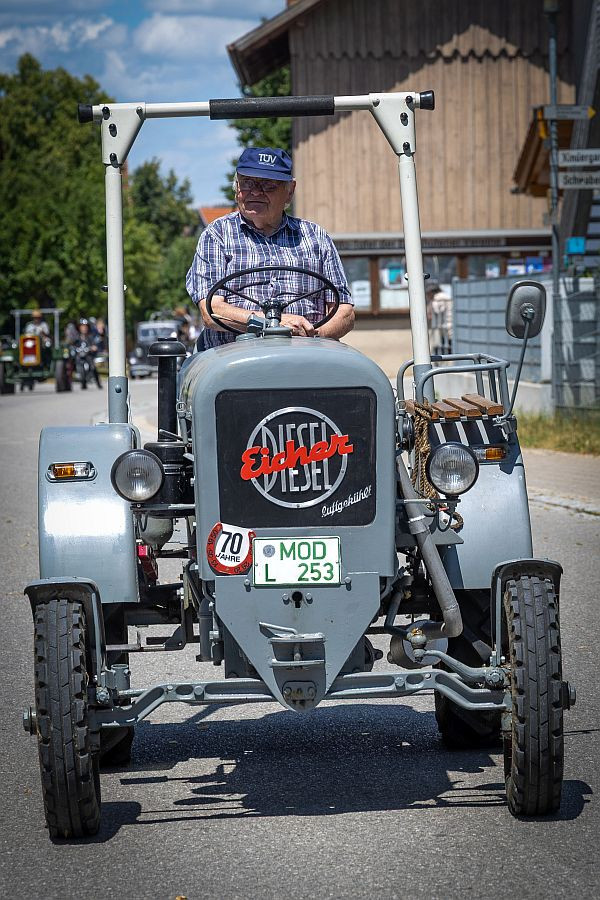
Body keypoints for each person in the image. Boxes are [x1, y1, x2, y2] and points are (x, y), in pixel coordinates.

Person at [186, 147, 354, 349]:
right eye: (247, 183)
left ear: (289, 191)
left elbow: (344, 312)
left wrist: (313, 334)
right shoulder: (216, 235)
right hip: (231, 363)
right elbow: (211, 311)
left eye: (268, 185)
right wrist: (273, 324)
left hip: (307, 358)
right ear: (236, 186)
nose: (255, 191)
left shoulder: (316, 238)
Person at [426, 282, 453, 355]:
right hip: (450, 325)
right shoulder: (446, 296)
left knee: (441, 349)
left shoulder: (437, 299)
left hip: (446, 327)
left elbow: (434, 313)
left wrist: (430, 304)